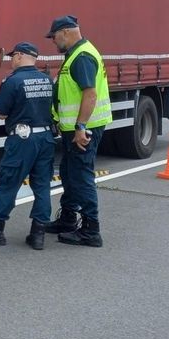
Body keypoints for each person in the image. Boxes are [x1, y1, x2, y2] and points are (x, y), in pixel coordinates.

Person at [0, 42, 55, 249]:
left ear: (18, 56)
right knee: (42, 186)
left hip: (22, 140)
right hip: (46, 138)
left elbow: (2, 112)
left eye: (11, 58)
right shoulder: (46, 80)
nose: (11, 61)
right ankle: (38, 235)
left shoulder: (13, 81)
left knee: (8, 183)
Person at [45, 14, 111, 247]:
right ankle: (68, 218)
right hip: (76, 129)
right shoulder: (76, 53)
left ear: (65, 32)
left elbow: (89, 93)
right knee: (69, 172)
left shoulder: (81, 56)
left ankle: (91, 230)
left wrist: (81, 127)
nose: (54, 42)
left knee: (81, 177)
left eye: (54, 37)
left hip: (85, 130)